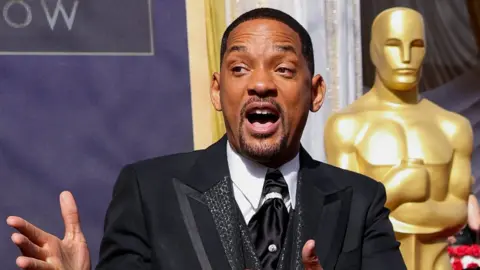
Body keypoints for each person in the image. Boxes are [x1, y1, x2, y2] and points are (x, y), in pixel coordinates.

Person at [6, 8, 406, 270]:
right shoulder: (149, 192)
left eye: (283, 69)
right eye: (240, 68)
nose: (261, 84)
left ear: (316, 91)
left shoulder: (361, 201)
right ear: (216, 90)